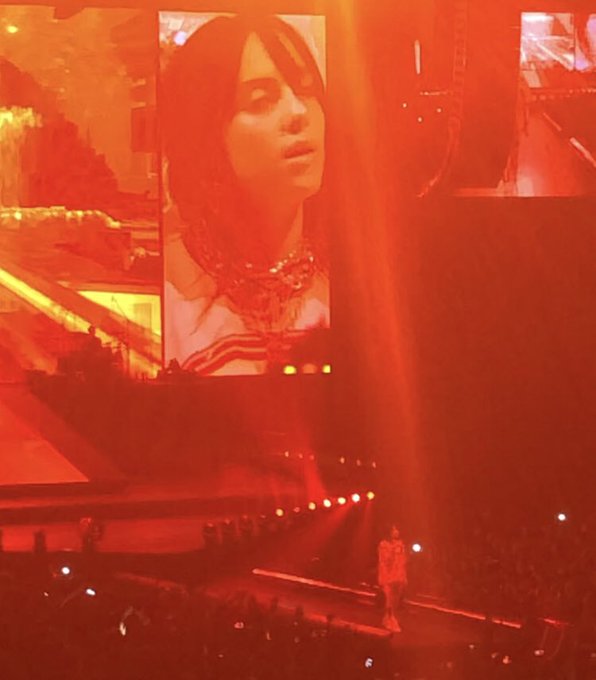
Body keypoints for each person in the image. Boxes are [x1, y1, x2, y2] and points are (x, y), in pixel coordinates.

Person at [161, 13, 329, 376]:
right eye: (261, 101)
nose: (298, 112)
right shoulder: (173, 304)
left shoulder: (357, 285)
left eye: (305, 90)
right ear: (208, 132)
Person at [378, 525, 407, 632]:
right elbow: (385, 559)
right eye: (394, 530)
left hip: (398, 574)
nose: (396, 532)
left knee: (396, 598)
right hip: (387, 575)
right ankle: (390, 619)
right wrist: (393, 549)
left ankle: (389, 617)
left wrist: (403, 575)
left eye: (397, 530)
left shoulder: (401, 544)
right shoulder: (383, 544)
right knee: (389, 597)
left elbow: (403, 559)